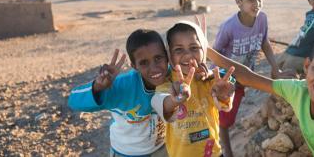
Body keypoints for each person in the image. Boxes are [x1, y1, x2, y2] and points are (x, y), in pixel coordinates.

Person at [68, 29, 169, 157]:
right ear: (134, 66)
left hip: (161, 149)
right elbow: (73, 100)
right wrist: (98, 87)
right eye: (144, 63)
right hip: (126, 152)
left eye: (158, 58)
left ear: (167, 57)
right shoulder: (121, 86)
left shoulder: (173, 75)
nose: (154, 68)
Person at [212, 0, 282, 157]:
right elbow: (215, 52)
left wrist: (275, 67)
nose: (257, 3)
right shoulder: (229, 27)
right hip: (228, 79)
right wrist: (216, 80)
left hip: (245, 78)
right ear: (238, 2)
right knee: (225, 121)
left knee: (229, 115)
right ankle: (227, 152)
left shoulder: (262, 19)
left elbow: (265, 42)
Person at [152, 21, 236, 157]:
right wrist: (175, 100)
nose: (188, 55)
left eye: (194, 48)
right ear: (169, 55)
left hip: (213, 153)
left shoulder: (210, 81)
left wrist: (223, 95)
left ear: (203, 49)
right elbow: (162, 103)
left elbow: (224, 106)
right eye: (178, 49)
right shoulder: (167, 85)